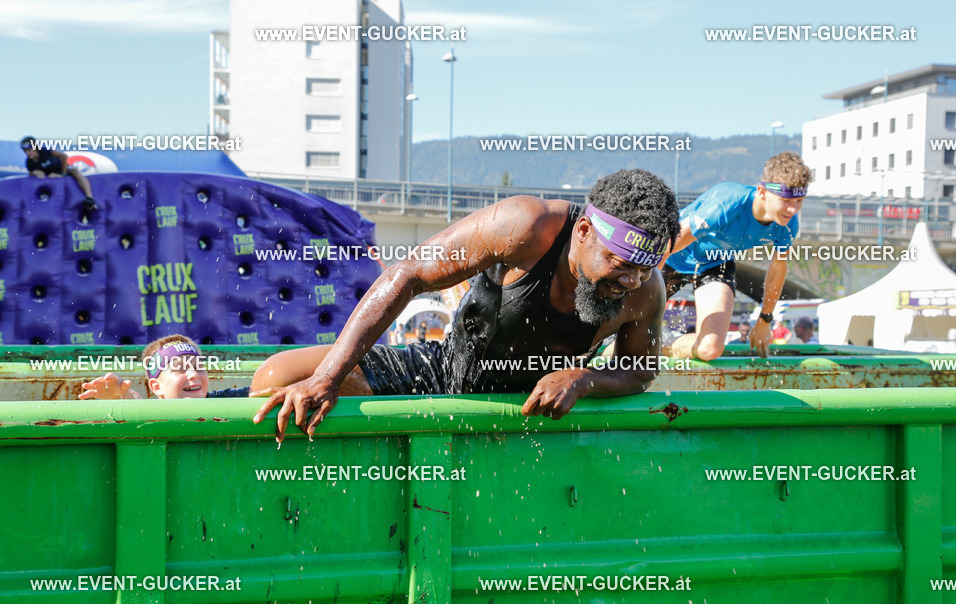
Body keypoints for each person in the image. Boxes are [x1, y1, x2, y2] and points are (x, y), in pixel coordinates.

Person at [252, 169, 680, 440]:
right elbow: (409, 274)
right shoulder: (527, 227)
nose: (631, 281)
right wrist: (326, 378)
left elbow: (639, 370)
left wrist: (585, 380)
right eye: (621, 264)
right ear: (584, 230)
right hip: (445, 375)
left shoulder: (645, 289)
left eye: (645, 269)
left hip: (532, 418)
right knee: (279, 376)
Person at [660, 152, 811, 360]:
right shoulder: (727, 205)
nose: (793, 209)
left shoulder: (787, 225)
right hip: (672, 255)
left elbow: (778, 270)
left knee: (710, 348)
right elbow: (668, 244)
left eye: (799, 201)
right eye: (786, 201)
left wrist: (765, 320)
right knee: (629, 332)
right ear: (762, 192)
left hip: (715, 264)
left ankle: (659, 349)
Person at [78, 335, 247, 399]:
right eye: (180, 369)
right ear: (156, 387)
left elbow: (261, 391)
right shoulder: (152, 414)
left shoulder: (219, 401)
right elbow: (135, 403)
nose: (193, 374)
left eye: (198, 367)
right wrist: (119, 395)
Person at [20, 136, 98, 213]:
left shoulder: (44, 151)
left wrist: (62, 174)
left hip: (60, 171)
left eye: (29, 150)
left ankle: (89, 198)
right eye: (25, 151)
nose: (27, 153)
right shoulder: (29, 162)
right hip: (50, 178)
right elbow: (30, 174)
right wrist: (34, 173)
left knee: (75, 171)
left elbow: (64, 156)